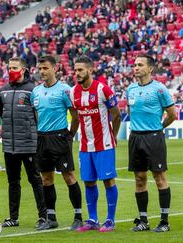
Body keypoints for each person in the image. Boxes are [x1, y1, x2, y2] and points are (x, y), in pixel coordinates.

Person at [31, 55, 83, 230]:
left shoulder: (65, 90)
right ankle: (51, 218)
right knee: (46, 179)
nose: (42, 72)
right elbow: (37, 115)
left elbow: (75, 117)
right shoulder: (36, 92)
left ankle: (78, 216)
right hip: (42, 138)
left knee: (68, 176)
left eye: (45, 68)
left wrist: (69, 135)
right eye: (40, 69)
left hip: (60, 137)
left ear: (55, 69)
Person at [70, 56, 121, 232]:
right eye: (75, 70)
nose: (77, 73)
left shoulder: (102, 89)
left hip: (104, 145)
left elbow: (117, 114)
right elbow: (76, 118)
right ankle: (92, 219)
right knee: (89, 182)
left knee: (108, 180)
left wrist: (112, 137)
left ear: (90, 70)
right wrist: (70, 135)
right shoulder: (73, 92)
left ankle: (110, 220)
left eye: (81, 70)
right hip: (85, 146)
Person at [127, 54, 176, 233]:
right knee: (139, 179)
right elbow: (130, 111)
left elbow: (172, 114)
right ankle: (143, 220)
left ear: (150, 69)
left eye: (140, 65)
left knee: (159, 177)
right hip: (135, 137)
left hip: (154, 138)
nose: (136, 68)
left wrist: (158, 128)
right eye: (134, 65)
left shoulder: (160, 89)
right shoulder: (130, 89)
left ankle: (164, 221)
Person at [0, 57, 47, 230]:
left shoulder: (32, 90)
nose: (11, 70)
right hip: (9, 146)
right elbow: (1, 114)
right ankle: (13, 218)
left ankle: (43, 216)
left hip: (28, 144)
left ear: (24, 70)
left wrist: (36, 138)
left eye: (14, 67)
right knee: (13, 182)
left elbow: (37, 116)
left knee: (35, 181)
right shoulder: (3, 91)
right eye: (9, 67)